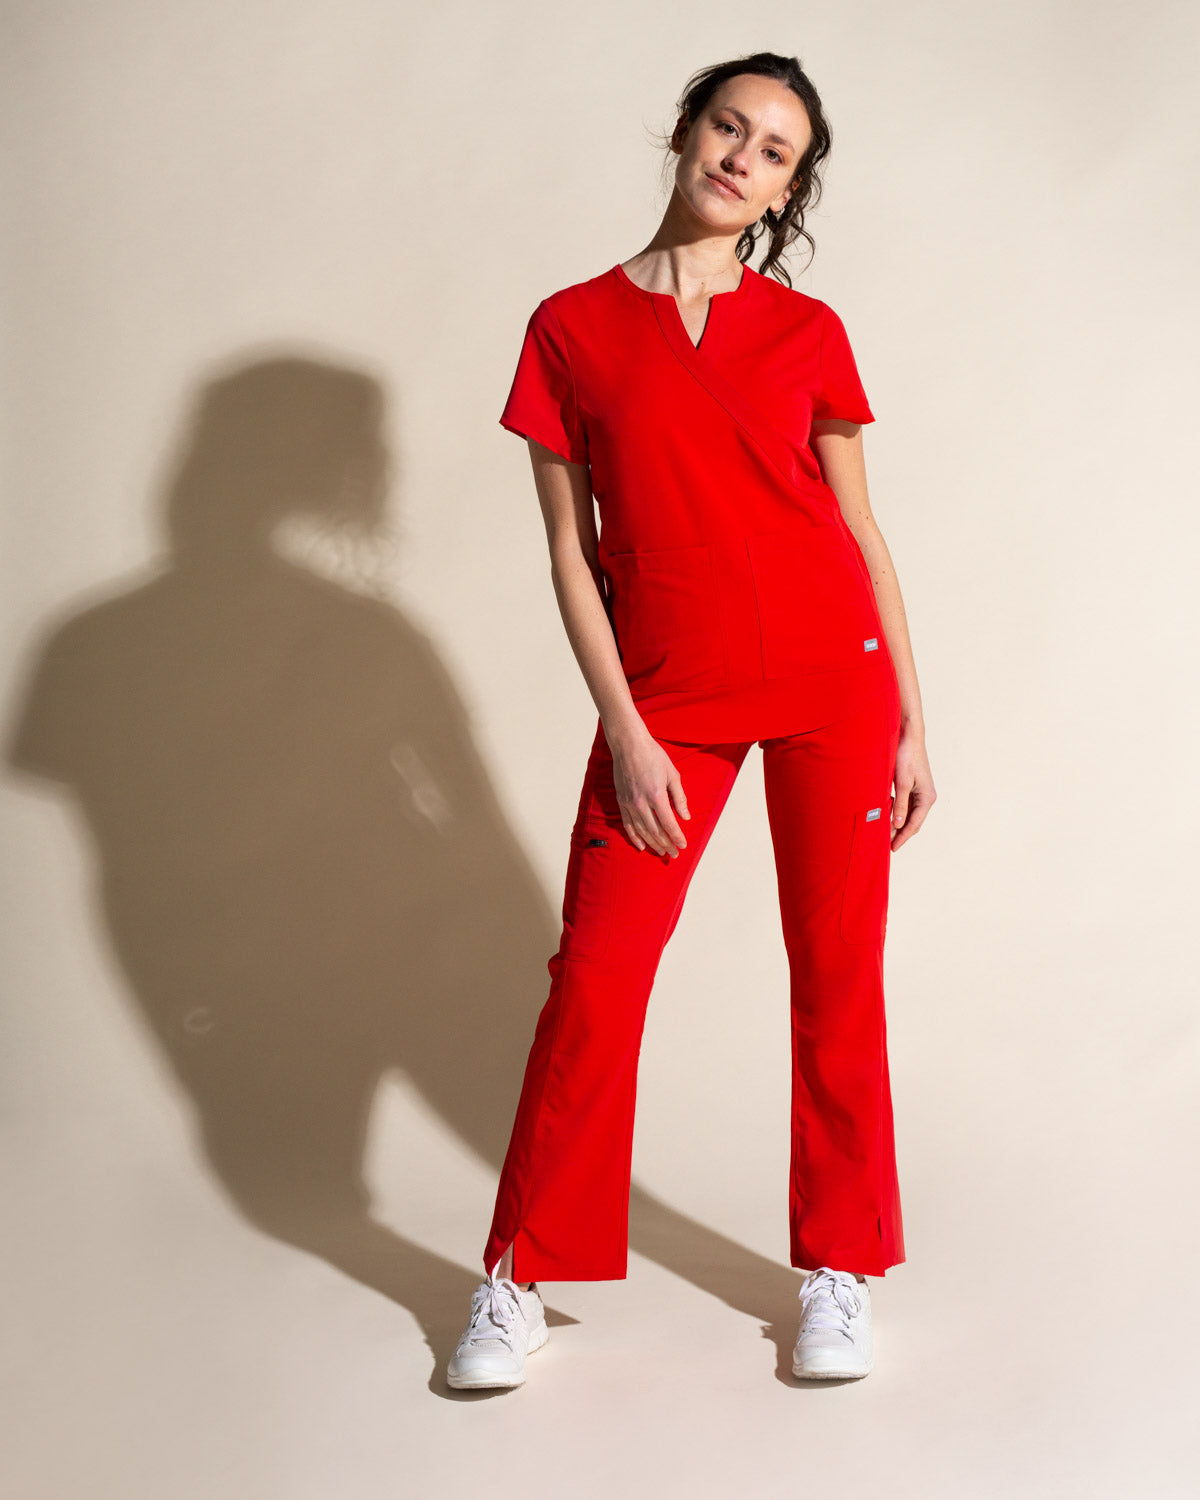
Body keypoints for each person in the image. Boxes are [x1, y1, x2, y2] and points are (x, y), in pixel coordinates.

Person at [447, 50, 936, 1391]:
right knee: (597, 977)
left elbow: (860, 529)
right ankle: (517, 1277)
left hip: (834, 681)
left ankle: (839, 1269)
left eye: (776, 152)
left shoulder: (807, 331)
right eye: (730, 126)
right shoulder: (570, 328)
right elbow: (570, 550)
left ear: (788, 189)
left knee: (837, 973)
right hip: (668, 697)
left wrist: (911, 718)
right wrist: (625, 727)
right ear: (685, 130)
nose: (742, 158)